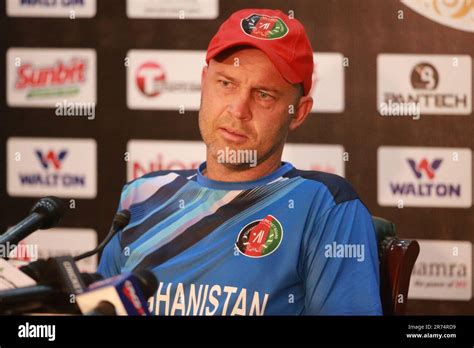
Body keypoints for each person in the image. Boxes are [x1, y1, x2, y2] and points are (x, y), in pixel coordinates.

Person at [98, 8, 382, 315]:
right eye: (226, 83)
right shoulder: (142, 196)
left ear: (298, 112)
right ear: (204, 82)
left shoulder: (325, 205)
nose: (238, 109)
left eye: (263, 95)